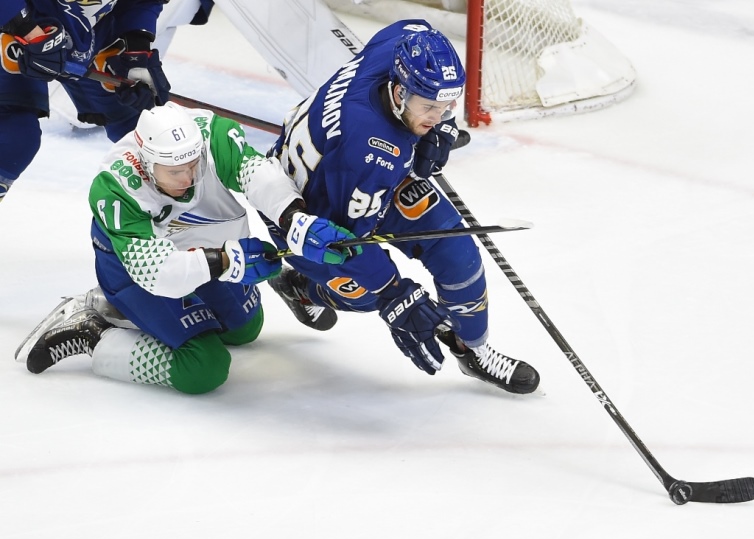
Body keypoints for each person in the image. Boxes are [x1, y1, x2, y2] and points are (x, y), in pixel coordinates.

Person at [263, 19, 540, 394]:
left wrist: (440, 125)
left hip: (347, 181)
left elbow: (417, 26)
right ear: (398, 92)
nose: (437, 114)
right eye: (429, 107)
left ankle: (473, 350)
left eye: (446, 105)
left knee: (456, 250)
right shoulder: (371, 151)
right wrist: (395, 293)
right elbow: (345, 244)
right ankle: (301, 288)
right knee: (364, 292)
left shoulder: (401, 50)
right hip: (309, 219)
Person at [15, 102, 355, 393]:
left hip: (204, 250)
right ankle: (96, 332)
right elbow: (155, 272)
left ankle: (277, 280)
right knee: (203, 368)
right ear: (147, 164)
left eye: (194, 165)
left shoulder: (211, 136)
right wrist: (227, 261)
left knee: (245, 329)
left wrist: (294, 218)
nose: (189, 179)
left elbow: (257, 173)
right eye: (176, 171)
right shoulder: (116, 187)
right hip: (134, 270)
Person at [0, 0, 172, 204]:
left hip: (89, 31)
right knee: (15, 136)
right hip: (17, 19)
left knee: (146, 135)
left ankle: (153, 216)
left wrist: (137, 49)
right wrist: (26, 28)